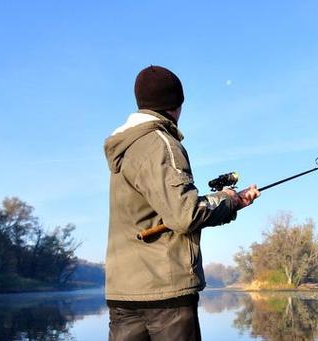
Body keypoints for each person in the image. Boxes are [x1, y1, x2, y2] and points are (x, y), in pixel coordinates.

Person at [103, 65, 260, 340]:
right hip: (165, 292)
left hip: (123, 291)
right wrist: (229, 201)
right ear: (176, 104)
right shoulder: (160, 143)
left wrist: (225, 201)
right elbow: (183, 214)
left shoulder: (125, 148)